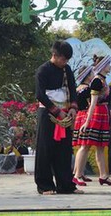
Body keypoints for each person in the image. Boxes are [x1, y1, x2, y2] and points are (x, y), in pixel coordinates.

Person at [34, 40, 82, 195]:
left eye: (67, 60)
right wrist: (57, 112)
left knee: (64, 150)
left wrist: (73, 108)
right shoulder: (43, 70)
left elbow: (73, 90)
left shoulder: (66, 70)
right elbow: (40, 95)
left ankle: (65, 185)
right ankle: (45, 185)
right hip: (48, 113)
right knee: (45, 149)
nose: (65, 62)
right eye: (63, 59)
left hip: (65, 113)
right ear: (54, 55)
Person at [73, 55, 111, 187]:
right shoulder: (97, 81)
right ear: (103, 66)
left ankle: (103, 175)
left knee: (101, 147)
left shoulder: (102, 80)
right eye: (108, 64)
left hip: (102, 114)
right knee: (85, 145)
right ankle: (77, 175)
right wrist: (87, 121)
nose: (110, 66)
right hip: (95, 114)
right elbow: (92, 103)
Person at [71, 65, 94, 183]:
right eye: (91, 73)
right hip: (85, 116)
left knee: (83, 146)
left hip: (79, 116)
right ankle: (77, 175)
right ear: (88, 75)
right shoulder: (88, 90)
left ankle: (78, 171)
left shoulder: (77, 88)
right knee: (84, 146)